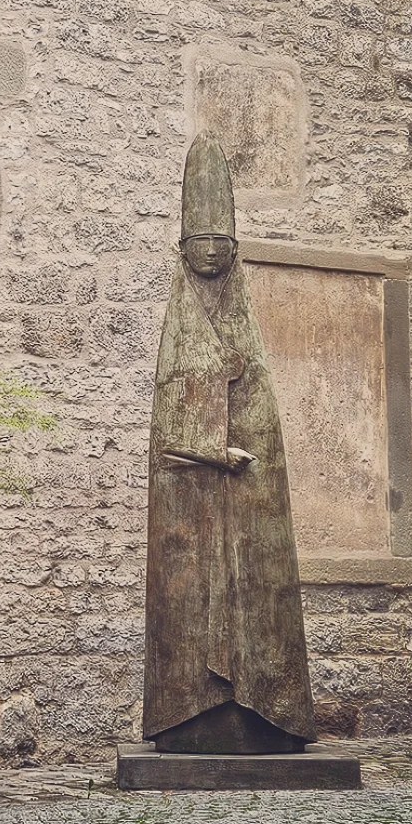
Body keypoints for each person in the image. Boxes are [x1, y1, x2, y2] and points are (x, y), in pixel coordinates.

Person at [143, 133, 315, 754]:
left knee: (256, 592)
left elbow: (260, 418)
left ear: (234, 247)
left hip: (247, 504)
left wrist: (241, 454)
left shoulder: (248, 330)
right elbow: (168, 429)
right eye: (198, 242)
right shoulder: (178, 327)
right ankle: (189, 713)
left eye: (220, 242)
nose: (210, 253)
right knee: (188, 600)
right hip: (188, 503)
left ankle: (267, 711)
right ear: (182, 246)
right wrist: (212, 450)